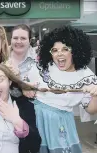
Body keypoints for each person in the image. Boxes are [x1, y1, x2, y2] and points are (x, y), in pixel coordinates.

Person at [25, 25, 97, 153]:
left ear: (75, 50)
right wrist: (25, 89)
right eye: (54, 50)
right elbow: (24, 86)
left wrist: (96, 95)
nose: (59, 54)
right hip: (35, 120)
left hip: (61, 126)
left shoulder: (86, 76)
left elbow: (91, 109)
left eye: (65, 49)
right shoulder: (42, 67)